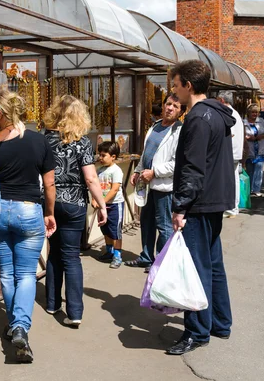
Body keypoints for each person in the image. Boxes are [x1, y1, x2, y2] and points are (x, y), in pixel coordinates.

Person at [0, 90, 56, 363]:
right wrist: (49, 213)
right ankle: (20, 327)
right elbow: (49, 185)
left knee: (7, 271)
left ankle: (14, 321)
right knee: (26, 273)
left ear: (1, 114)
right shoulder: (40, 141)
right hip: (29, 212)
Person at [169, 59, 234, 355]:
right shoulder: (217, 114)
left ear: (189, 85)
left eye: (176, 84)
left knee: (195, 269)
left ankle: (197, 331)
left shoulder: (197, 117)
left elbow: (193, 168)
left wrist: (180, 207)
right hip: (214, 200)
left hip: (199, 203)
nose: (173, 90)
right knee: (213, 265)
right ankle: (220, 322)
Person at [43, 95, 108, 328]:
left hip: (49, 202)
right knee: (71, 256)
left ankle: (51, 303)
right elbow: (91, 178)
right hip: (74, 203)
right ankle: (75, 312)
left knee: (53, 252)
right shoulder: (82, 142)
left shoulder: (44, 140)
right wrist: (101, 205)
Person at [126, 94, 184, 273]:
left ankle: (161, 262)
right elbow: (147, 153)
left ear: (181, 111)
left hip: (164, 186)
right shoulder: (155, 127)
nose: (170, 108)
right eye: (168, 104)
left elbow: (177, 163)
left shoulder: (179, 131)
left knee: (164, 225)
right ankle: (145, 257)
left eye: (175, 106)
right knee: (146, 221)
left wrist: (155, 172)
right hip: (147, 184)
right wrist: (138, 170)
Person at [93, 141, 124, 269]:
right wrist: (95, 199)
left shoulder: (116, 170)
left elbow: (114, 189)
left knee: (115, 231)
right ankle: (109, 251)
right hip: (103, 206)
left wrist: (102, 201)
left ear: (113, 157)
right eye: (99, 155)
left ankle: (117, 255)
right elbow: (95, 187)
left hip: (115, 205)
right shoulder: (99, 170)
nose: (100, 158)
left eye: (103, 155)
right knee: (105, 229)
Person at [218, 91, 244, 216]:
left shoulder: (229, 113)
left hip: (231, 152)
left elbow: (230, 133)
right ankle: (233, 206)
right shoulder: (235, 113)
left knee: (230, 180)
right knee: (234, 179)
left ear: (222, 100)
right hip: (234, 152)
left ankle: (231, 207)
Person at [243, 103, 264, 197]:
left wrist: (263, 135)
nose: (255, 114)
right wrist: (246, 137)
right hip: (249, 150)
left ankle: (256, 189)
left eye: (256, 112)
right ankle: (249, 189)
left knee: (258, 170)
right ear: (248, 113)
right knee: (249, 170)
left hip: (260, 149)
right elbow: (240, 134)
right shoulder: (244, 122)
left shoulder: (261, 121)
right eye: (253, 112)